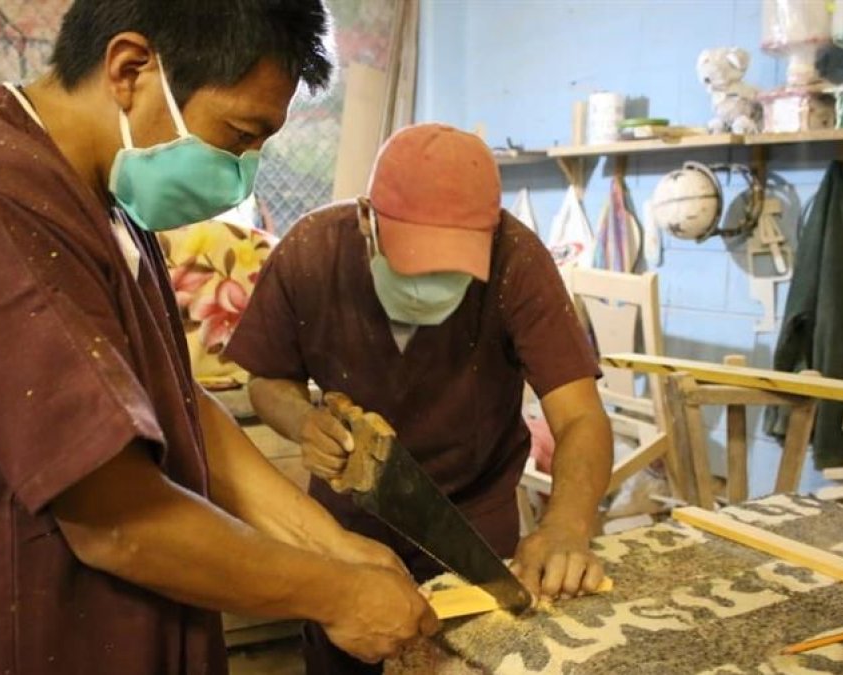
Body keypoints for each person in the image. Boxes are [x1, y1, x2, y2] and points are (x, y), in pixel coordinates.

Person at [0, 2, 437, 673]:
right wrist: (337, 593)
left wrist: (328, 543)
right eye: (238, 134)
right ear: (129, 69)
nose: (243, 168)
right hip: (22, 646)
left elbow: (173, 405)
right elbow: (118, 522)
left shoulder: (101, 199)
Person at [225, 123, 614, 674]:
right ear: (367, 218)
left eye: (452, 267)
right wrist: (303, 422)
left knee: (475, 663)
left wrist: (567, 525)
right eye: (414, 259)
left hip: (472, 520)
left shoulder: (518, 258)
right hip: (346, 518)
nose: (429, 281)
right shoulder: (311, 252)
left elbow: (579, 416)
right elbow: (267, 380)